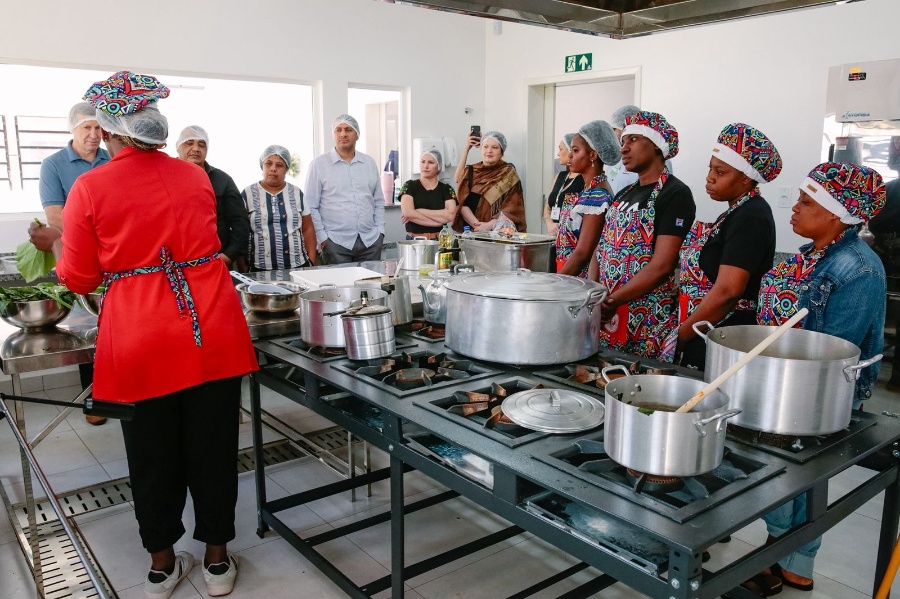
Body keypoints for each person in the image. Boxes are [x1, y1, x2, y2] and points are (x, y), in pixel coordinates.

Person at [29, 71, 258, 599]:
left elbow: (81, 277)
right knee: (214, 446)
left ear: (108, 129)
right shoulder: (194, 176)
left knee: (152, 454)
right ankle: (217, 562)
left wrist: (64, 253)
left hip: (141, 334)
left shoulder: (90, 186)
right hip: (211, 328)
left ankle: (160, 566)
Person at [754, 162, 886, 594]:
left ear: (835, 212)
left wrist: (782, 381)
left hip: (814, 389)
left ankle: (789, 558)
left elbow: (835, 350)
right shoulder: (817, 251)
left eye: (806, 202)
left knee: (796, 472)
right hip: (781, 380)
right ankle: (786, 555)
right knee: (784, 471)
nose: (794, 208)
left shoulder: (858, 269)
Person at [670, 123, 781, 369]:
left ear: (745, 178)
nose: (709, 177)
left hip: (722, 330)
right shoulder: (735, 212)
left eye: (720, 172)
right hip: (708, 326)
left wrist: (680, 338)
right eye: (710, 168)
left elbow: (728, 292)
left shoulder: (751, 216)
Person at [596, 111, 695, 361]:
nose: (624, 149)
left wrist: (612, 300)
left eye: (633, 140)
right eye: (623, 142)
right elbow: (603, 248)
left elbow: (662, 265)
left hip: (646, 317)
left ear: (656, 146)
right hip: (609, 313)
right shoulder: (624, 194)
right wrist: (597, 293)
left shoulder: (675, 193)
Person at [38, 101, 111, 426]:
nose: (94, 134)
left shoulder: (112, 160)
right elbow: (55, 217)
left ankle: (121, 393)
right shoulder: (54, 165)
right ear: (72, 130)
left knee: (115, 327)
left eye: (99, 128)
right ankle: (94, 402)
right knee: (87, 330)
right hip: (80, 258)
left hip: (116, 259)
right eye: (87, 128)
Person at [306, 114, 385, 264]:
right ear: (333, 134)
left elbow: (378, 200)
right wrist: (323, 238)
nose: (343, 134)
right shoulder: (319, 165)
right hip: (335, 243)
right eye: (338, 130)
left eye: (348, 129)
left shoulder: (368, 163)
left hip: (370, 241)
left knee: (370, 286)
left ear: (357, 135)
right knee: (339, 286)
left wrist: (380, 231)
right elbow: (311, 206)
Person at [175, 126, 251, 272]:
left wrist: (228, 256)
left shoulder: (223, 180)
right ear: (177, 147)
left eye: (201, 145)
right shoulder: (165, 177)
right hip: (175, 267)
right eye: (189, 143)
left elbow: (240, 222)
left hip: (215, 264)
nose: (196, 149)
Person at [555, 121, 619, 278]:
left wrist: (555, 284)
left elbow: (583, 254)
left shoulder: (597, 196)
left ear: (592, 155)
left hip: (577, 280)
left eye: (575, 150)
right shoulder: (588, 190)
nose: (570, 155)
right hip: (568, 272)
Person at [241, 145, 316, 270]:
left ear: (286, 168)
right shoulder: (248, 194)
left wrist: (311, 263)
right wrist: (244, 269)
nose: (273, 169)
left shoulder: (296, 193)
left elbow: (307, 228)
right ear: (262, 166)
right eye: (268, 164)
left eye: (279, 165)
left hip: (297, 267)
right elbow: (241, 232)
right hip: (259, 268)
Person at [453, 130, 526, 232]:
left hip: (497, 234)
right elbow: (461, 202)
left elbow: (512, 209)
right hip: (470, 232)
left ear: (501, 151)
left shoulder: (509, 174)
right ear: (481, 149)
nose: (489, 151)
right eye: (485, 146)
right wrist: (478, 226)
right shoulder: (470, 171)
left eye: (495, 147)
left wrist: (489, 225)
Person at [868, 178, 900, 391]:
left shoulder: (888, 188)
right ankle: (896, 380)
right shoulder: (889, 188)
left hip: (879, 256)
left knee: (872, 316)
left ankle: (868, 374)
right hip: (887, 257)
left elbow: (870, 222)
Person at [398, 149, 458, 239]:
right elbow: (408, 213)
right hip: (414, 240)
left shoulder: (446, 189)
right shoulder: (409, 186)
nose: (425, 166)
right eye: (422, 162)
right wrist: (438, 222)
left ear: (439, 166)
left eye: (430, 162)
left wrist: (418, 211)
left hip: (438, 240)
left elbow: (451, 215)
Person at [543, 134, 584, 238]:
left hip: (572, 238)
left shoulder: (584, 179)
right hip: (553, 236)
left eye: (560, 149)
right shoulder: (560, 176)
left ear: (571, 151)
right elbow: (548, 205)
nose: (558, 153)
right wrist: (550, 223)